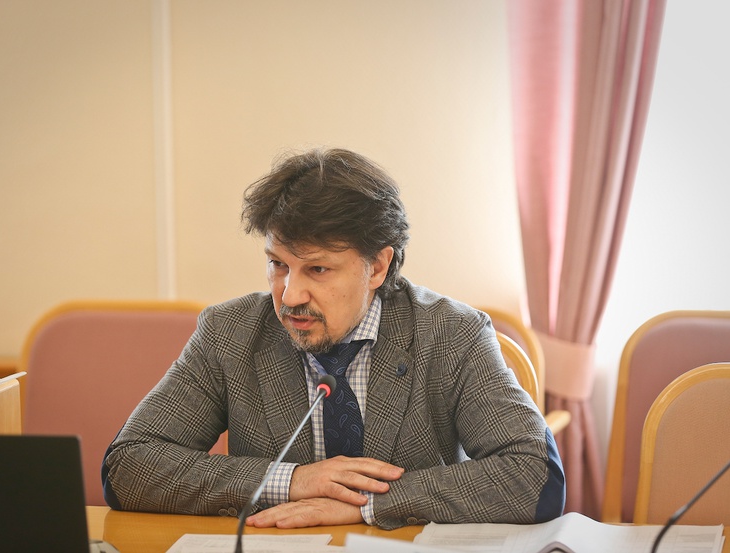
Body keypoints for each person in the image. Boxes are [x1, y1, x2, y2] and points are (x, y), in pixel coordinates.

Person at [101, 147, 565, 530]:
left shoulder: (451, 334)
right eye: (278, 265)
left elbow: (535, 475)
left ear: (377, 267)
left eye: (318, 269)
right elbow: (128, 466)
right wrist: (292, 480)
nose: (290, 295)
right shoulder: (230, 333)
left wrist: (368, 504)